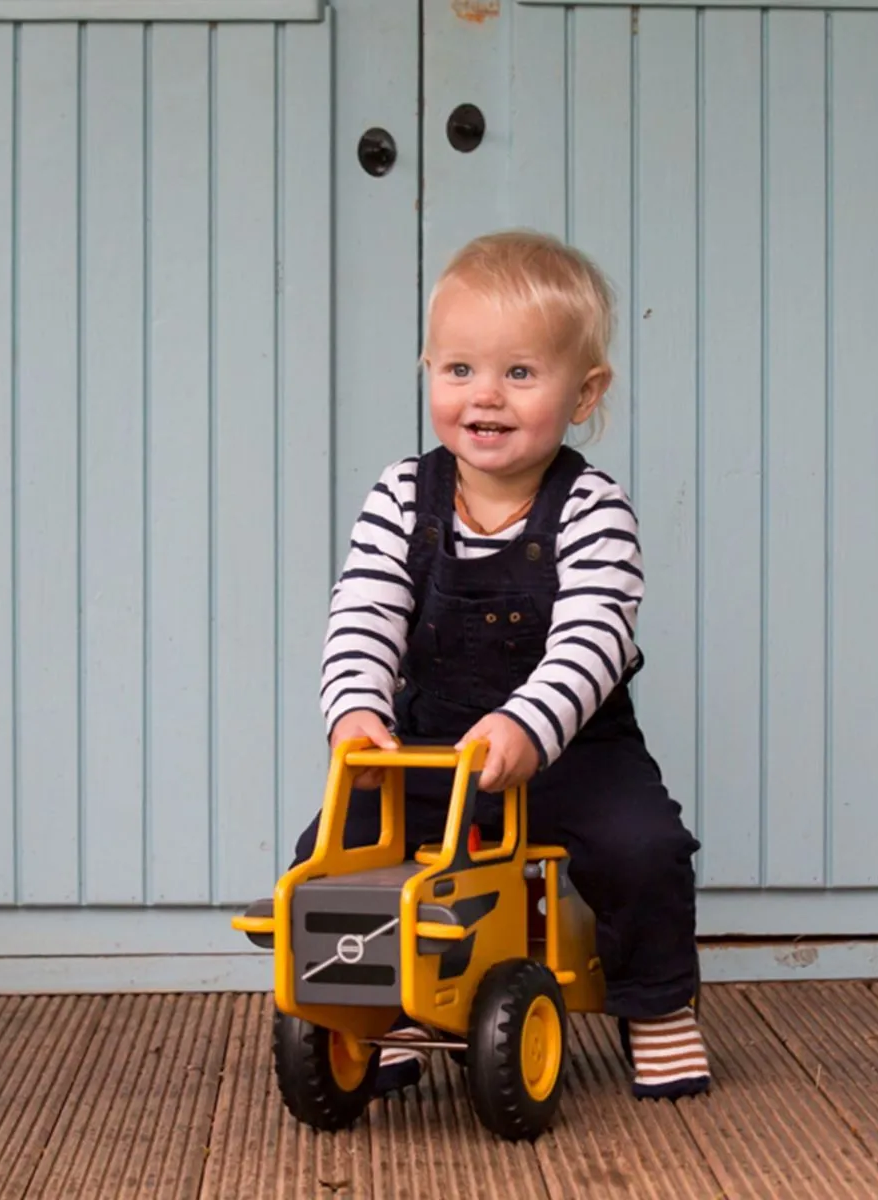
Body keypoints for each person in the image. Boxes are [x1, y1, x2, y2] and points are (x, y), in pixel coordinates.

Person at [296, 229, 708, 1102]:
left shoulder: (593, 509)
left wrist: (529, 724)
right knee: (331, 858)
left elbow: (594, 635)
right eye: (458, 371)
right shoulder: (403, 495)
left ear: (585, 393)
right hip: (432, 748)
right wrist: (357, 711)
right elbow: (365, 610)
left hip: (569, 745)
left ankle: (658, 1002)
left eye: (520, 374)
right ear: (429, 372)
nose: (484, 396)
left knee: (645, 849)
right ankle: (387, 1006)